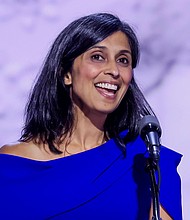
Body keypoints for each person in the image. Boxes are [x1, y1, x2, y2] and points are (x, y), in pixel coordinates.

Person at [0, 13, 182, 219]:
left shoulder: (150, 163)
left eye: (123, 60)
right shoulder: (10, 167)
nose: (114, 70)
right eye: (97, 57)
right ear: (66, 74)